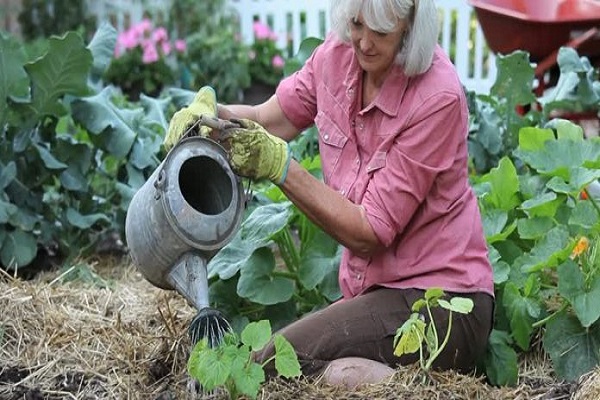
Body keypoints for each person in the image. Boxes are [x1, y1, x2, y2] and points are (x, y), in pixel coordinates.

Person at [164, 0, 494, 389]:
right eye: (357, 24)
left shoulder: (437, 97)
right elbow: (272, 119)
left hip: (445, 304)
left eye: (381, 32)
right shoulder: (336, 57)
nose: (365, 42)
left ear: (410, 27)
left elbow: (370, 232)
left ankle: (415, 391)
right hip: (377, 295)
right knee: (308, 365)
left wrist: (283, 169)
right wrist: (209, 116)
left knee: (275, 364)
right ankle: (392, 385)